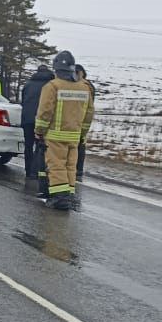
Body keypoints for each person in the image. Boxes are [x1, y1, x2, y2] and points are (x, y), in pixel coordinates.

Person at [34, 51, 94, 210]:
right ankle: (68, 194)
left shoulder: (52, 87)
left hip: (55, 136)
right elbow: (89, 114)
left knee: (57, 165)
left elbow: (44, 112)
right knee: (70, 166)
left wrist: (39, 131)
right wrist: (82, 134)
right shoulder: (84, 88)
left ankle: (60, 198)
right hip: (74, 136)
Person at [19, 64, 54, 188]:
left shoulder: (28, 84)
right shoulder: (51, 86)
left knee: (28, 145)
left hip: (27, 119)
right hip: (41, 120)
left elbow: (23, 101)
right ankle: (36, 172)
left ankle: (28, 171)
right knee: (40, 146)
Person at [75, 64, 96, 180]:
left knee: (78, 145)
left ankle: (76, 169)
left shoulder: (83, 86)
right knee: (80, 144)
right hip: (81, 120)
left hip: (77, 120)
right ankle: (78, 169)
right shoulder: (89, 86)